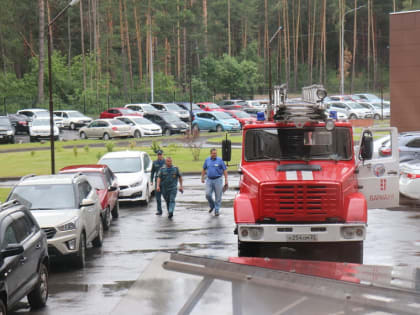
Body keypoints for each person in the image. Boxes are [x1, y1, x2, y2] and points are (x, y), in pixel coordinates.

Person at [201, 148, 228, 216]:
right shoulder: (207, 160)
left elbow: (224, 170)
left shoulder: (220, 160)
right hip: (209, 180)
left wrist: (226, 180)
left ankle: (216, 210)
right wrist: (202, 177)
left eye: (215, 153)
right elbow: (204, 169)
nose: (215, 154)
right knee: (207, 194)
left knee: (218, 196)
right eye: (213, 153)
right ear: (211, 154)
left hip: (218, 180)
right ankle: (212, 205)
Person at [151, 150, 165, 215]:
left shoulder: (165, 162)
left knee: (166, 196)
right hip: (157, 181)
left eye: (160, 154)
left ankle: (169, 209)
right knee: (158, 197)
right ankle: (159, 210)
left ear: (162, 155)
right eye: (158, 155)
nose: (159, 156)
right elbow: (152, 172)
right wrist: (151, 180)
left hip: (164, 180)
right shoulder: (154, 162)